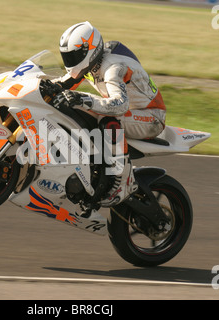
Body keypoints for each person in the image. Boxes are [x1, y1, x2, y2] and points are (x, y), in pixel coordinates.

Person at [54, 21, 166, 207]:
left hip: (150, 116)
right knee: (74, 106)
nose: (70, 61)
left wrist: (84, 100)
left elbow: (119, 105)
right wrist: (43, 86)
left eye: (74, 56)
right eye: (67, 56)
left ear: (88, 50)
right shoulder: (91, 62)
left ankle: (121, 182)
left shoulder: (113, 68)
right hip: (132, 111)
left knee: (108, 119)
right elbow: (66, 83)